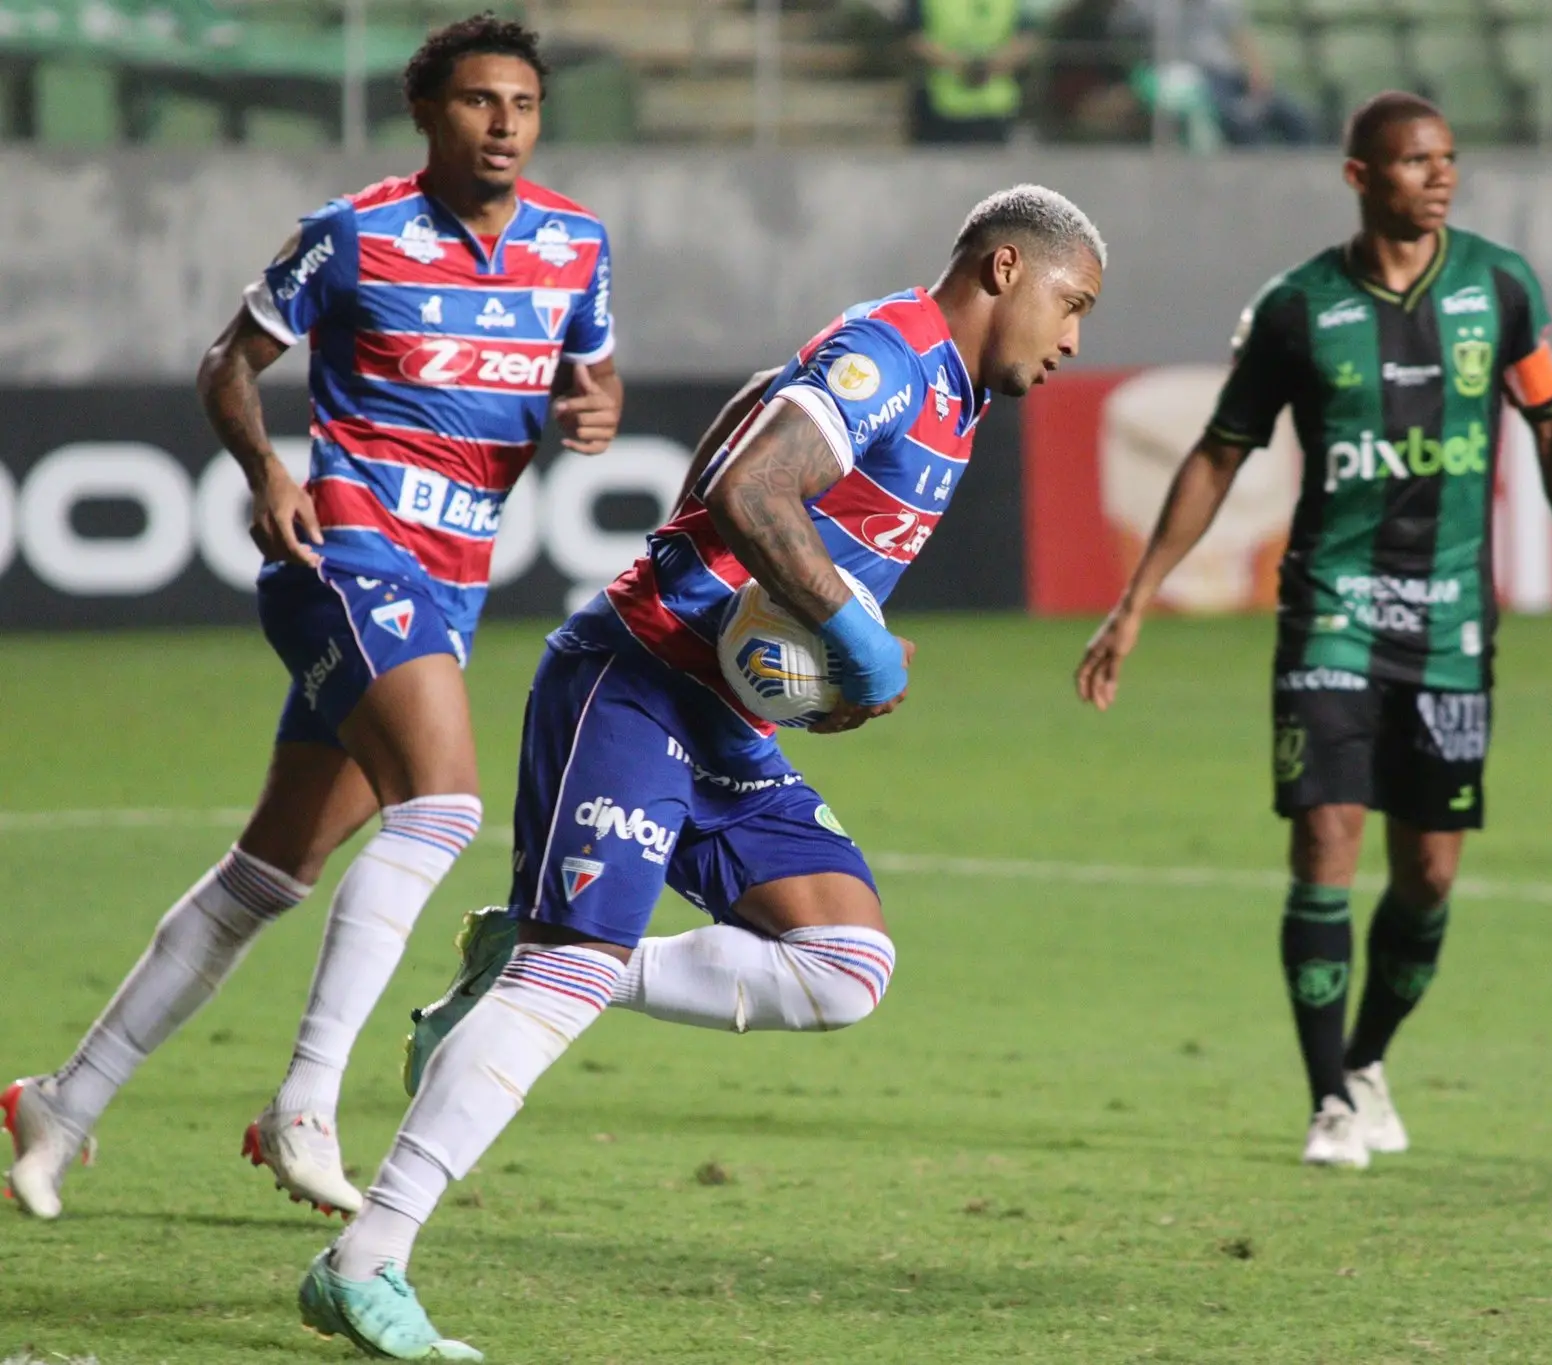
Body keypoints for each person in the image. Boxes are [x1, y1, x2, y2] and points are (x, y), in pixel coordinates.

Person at [293, 184, 1105, 1360]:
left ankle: (523, 958)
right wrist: (859, 637)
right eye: (1070, 302)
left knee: (845, 965)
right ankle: (362, 1264)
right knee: (565, 978)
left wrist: (815, 669)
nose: (1075, 337)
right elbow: (750, 485)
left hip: (725, 717)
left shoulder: (954, 397)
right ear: (999, 270)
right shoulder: (893, 352)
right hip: (632, 681)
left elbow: (740, 445)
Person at [2, 15, 623, 1222]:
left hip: (451, 578)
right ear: (427, 114)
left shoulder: (577, 247)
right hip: (345, 544)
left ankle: (60, 1103)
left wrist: (589, 414)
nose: (503, 123)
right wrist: (270, 474)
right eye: (478, 102)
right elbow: (227, 362)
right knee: (440, 806)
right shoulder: (356, 234)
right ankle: (304, 1104)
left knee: (270, 874)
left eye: (523, 105)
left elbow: (585, 380)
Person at [1075, 92, 1552, 1169]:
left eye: (1448, 159)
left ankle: (1365, 1059)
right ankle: (1326, 1101)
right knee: (1324, 841)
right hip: (1333, 611)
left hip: (1452, 619)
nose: (1440, 176)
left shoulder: (1498, 288)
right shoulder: (1297, 309)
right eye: (1416, 162)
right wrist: (1136, 599)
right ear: (1360, 176)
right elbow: (1220, 451)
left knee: (1431, 876)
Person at [1113, 0, 1314, 146]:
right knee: (1241, 122)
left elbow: (1242, 38)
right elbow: (1122, 28)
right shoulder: (1151, 7)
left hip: (1231, 72)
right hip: (1194, 78)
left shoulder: (1221, 4)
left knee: (1297, 118)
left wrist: (1258, 75)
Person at [905, 0, 1039, 144]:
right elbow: (914, 39)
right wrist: (980, 67)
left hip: (994, 111)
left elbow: (1027, 40)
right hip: (941, 109)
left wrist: (971, 67)